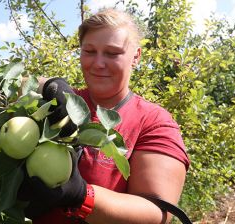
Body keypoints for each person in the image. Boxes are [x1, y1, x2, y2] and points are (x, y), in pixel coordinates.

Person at [18, 8, 190, 224]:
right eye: (89, 51)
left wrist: (81, 196)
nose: (98, 63)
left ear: (135, 56)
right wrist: (50, 84)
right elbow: (2, 91)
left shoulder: (153, 122)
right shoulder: (62, 103)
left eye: (112, 53)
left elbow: (156, 213)